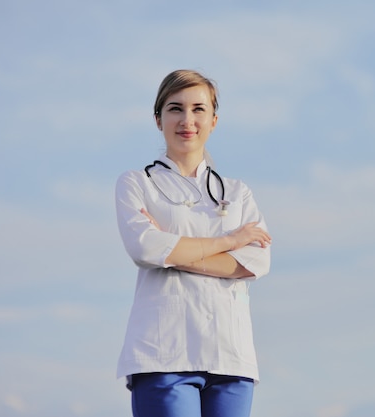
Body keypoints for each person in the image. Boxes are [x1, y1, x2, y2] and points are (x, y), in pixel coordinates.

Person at [114, 69, 272, 417]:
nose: (188, 120)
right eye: (175, 108)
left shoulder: (237, 192)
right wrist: (229, 241)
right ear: (158, 119)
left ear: (214, 120)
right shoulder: (138, 184)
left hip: (231, 357)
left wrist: (170, 250)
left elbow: (256, 263)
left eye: (199, 109)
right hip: (164, 353)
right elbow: (144, 248)